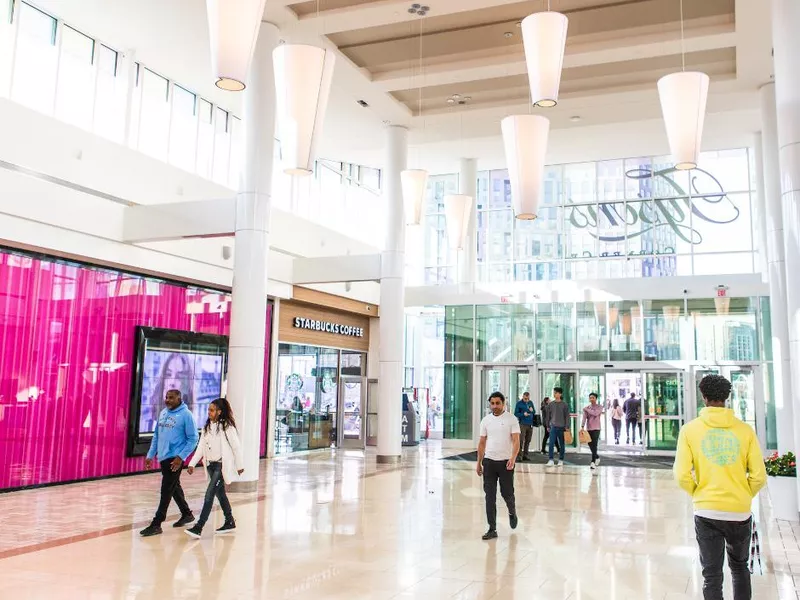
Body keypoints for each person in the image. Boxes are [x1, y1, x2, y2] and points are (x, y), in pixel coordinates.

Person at [674, 374, 767, 600]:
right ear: (727, 397)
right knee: (740, 567)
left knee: (712, 575)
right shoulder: (745, 431)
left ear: (703, 397)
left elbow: (681, 475)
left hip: (706, 511)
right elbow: (759, 476)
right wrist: (744, 495)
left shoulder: (690, 430)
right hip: (739, 511)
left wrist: (698, 493)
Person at [140, 389, 200, 537]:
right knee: (173, 487)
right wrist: (150, 455)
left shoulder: (186, 415)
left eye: (171, 398)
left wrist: (181, 457)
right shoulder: (163, 413)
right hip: (163, 457)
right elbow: (157, 436)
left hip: (175, 459)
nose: (167, 400)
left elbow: (193, 439)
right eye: (166, 397)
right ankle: (187, 514)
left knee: (166, 490)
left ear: (179, 399)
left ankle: (157, 523)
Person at [185, 398, 244, 538]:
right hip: (211, 466)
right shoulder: (206, 427)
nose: (209, 412)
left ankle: (199, 527)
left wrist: (240, 465)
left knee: (209, 494)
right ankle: (229, 521)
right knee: (221, 494)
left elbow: (236, 447)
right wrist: (192, 463)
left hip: (221, 466)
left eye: (212, 410)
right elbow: (200, 447)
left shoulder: (227, 427)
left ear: (219, 411)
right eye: (208, 410)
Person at [476, 391, 520, 541]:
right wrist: (478, 463)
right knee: (490, 496)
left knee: (507, 494)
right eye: (492, 403)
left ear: (503, 404)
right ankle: (492, 528)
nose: (494, 406)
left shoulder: (511, 419)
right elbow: (482, 443)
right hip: (489, 462)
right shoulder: (486, 420)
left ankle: (512, 512)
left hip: (505, 463)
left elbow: (516, 441)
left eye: (497, 403)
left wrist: (513, 458)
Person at [546, 387, 570, 468]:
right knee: (551, 443)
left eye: (556, 393)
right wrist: (547, 425)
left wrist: (567, 426)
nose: (554, 394)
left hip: (562, 427)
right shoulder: (551, 404)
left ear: (560, 394)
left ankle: (561, 460)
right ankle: (551, 460)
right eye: (554, 392)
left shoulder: (564, 405)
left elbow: (567, 416)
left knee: (562, 444)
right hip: (553, 427)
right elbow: (548, 416)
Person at [580, 393, 604, 470]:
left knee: (594, 444)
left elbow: (595, 413)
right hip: (589, 428)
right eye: (590, 398)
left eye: (593, 398)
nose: (591, 399)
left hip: (596, 428)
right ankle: (597, 456)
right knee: (590, 444)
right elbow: (584, 418)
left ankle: (592, 462)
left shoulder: (599, 407)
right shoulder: (587, 407)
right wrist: (582, 426)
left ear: (596, 398)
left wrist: (586, 409)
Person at [513, 391, 536, 461]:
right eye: (525, 398)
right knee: (521, 440)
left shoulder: (530, 403)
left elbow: (534, 412)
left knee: (528, 440)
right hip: (522, 424)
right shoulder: (519, 404)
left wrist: (532, 411)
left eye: (528, 398)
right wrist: (523, 414)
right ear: (523, 397)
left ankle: (525, 455)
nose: (527, 400)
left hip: (530, 424)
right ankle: (519, 456)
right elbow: (516, 413)